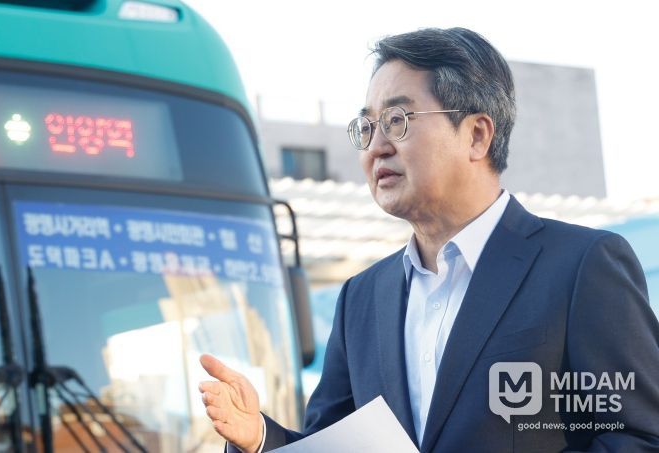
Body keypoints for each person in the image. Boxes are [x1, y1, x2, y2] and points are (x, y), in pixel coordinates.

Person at [198, 27, 659, 452]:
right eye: (367, 127)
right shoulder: (361, 298)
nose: (376, 146)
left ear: (476, 135)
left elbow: (642, 436)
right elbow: (327, 444)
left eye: (398, 120)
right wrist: (259, 437)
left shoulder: (580, 266)